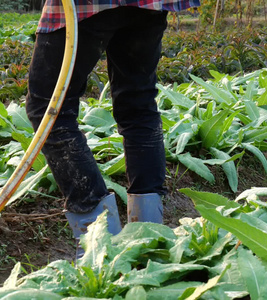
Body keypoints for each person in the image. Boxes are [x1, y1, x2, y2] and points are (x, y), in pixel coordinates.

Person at [26, 0, 200, 258]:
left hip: (87, 5)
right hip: (146, 5)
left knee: (49, 109)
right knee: (138, 104)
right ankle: (149, 237)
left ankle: (99, 242)